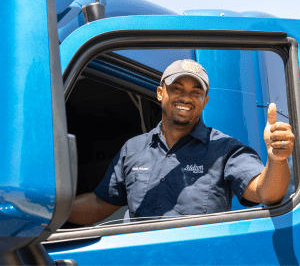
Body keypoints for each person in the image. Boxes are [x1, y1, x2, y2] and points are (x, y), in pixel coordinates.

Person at [68, 59, 295, 225]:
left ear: (204, 101)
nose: (186, 98)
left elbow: (267, 193)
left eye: (195, 93)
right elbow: (100, 204)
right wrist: (47, 208)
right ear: (160, 93)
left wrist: (277, 159)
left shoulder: (225, 149)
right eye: (176, 89)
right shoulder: (133, 149)